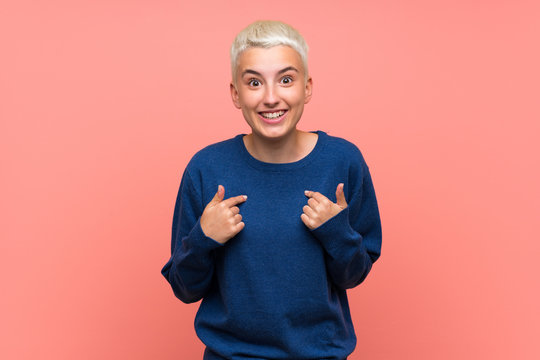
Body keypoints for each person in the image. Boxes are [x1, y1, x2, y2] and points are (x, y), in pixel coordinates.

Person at [161, 20, 382, 360]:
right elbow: (185, 289)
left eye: (286, 79)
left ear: (307, 87)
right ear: (236, 93)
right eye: (253, 82)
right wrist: (203, 239)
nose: (270, 97)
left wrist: (337, 234)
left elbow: (354, 276)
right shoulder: (206, 169)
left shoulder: (344, 162)